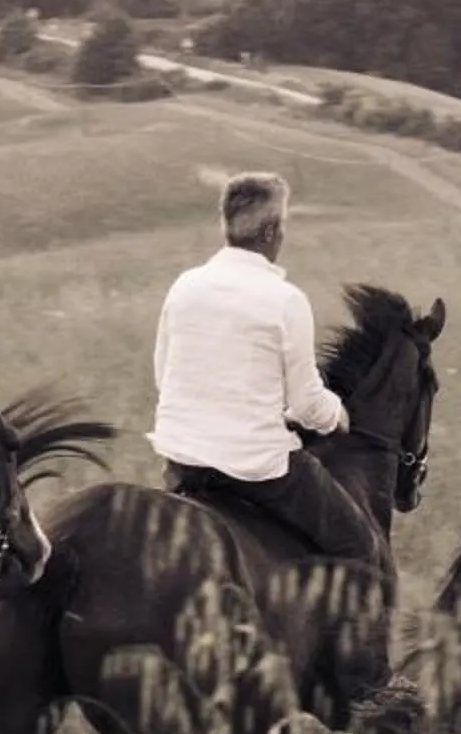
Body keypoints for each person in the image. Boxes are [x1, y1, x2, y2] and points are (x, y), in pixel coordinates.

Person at [149, 171, 389, 576]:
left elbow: (164, 374)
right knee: (362, 546)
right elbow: (307, 404)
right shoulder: (285, 300)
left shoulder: (184, 286)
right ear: (272, 231)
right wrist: (337, 415)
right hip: (253, 467)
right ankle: (341, 639)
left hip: (182, 462)